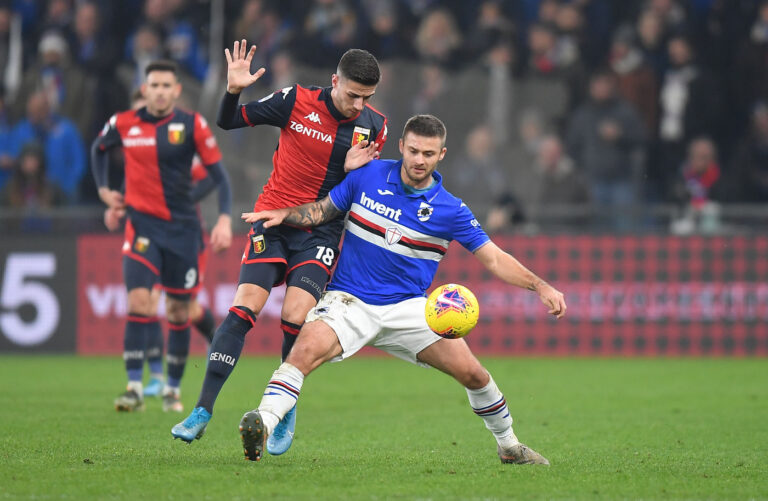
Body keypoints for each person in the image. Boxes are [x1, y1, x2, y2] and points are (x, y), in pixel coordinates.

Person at [231, 114, 565, 464]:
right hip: (349, 301)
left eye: (429, 154)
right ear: (402, 146)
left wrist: (540, 286)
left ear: (442, 155)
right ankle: (263, 423)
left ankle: (510, 447)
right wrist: (285, 214)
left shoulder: (451, 210)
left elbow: (495, 259)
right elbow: (321, 211)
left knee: (475, 374)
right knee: (302, 354)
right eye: (415, 150)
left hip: (410, 309)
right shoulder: (367, 176)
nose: (420, 160)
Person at [172, 41, 388, 454]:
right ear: (334, 81)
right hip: (269, 219)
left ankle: (284, 406)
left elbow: (362, 192)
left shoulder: (375, 125)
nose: (359, 104)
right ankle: (201, 410)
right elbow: (228, 121)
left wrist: (353, 174)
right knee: (244, 306)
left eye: (367, 97)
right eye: (352, 94)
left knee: (295, 316)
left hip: (319, 231)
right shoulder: (295, 100)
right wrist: (233, 89)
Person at [91, 60, 228, 412]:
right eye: (155, 85)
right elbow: (99, 150)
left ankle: (172, 389)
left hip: (183, 232)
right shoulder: (124, 124)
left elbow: (219, 176)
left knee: (180, 312)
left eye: (167, 85)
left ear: (176, 90)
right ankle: (134, 388)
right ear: (145, 88)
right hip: (142, 230)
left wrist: (224, 219)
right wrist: (107, 192)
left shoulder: (190, 125)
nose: (161, 91)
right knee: (139, 302)